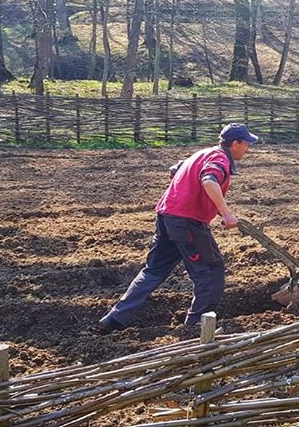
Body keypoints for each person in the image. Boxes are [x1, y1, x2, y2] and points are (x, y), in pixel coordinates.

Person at [97, 123, 258, 333]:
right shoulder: (219, 159)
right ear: (235, 143)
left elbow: (175, 171)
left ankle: (114, 319)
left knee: (153, 271)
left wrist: (211, 206)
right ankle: (196, 327)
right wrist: (226, 213)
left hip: (166, 216)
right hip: (187, 222)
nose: (248, 149)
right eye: (246, 144)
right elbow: (209, 180)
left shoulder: (202, 153)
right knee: (210, 272)